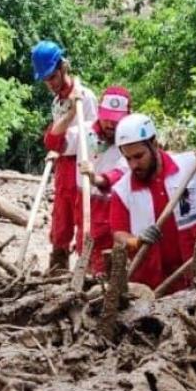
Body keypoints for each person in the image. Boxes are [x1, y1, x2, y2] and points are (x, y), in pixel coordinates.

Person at [107, 107, 196, 290]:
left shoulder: (190, 167)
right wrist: (136, 241)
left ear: (154, 144)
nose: (133, 165)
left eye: (138, 156)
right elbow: (119, 234)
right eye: (127, 158)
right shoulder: (122, 191)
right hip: (152, 288)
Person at [32, 40, 99, 273]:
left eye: (52, 77)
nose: (49, 83)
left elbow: (92, 138)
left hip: (81, 166)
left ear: (63, 68)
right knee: (60, 223)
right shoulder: (57, 102)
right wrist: (56, 147)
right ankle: (57, 274)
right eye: (46, 80)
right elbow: (56, 137)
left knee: (83, 221)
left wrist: (62, 140)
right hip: (63, 167)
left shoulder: (85, 97)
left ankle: (85, 272)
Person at [79, 85, 131, 274]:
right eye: (107, 118)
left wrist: (96, 178)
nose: (111, 124)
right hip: (84, 201)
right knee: (83, 247)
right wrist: (69, 110)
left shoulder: (129, 140)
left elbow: (121, 173)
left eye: (116, 120)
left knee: (106, 255)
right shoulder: (84, 132)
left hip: (112, 204)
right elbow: (54, 141)